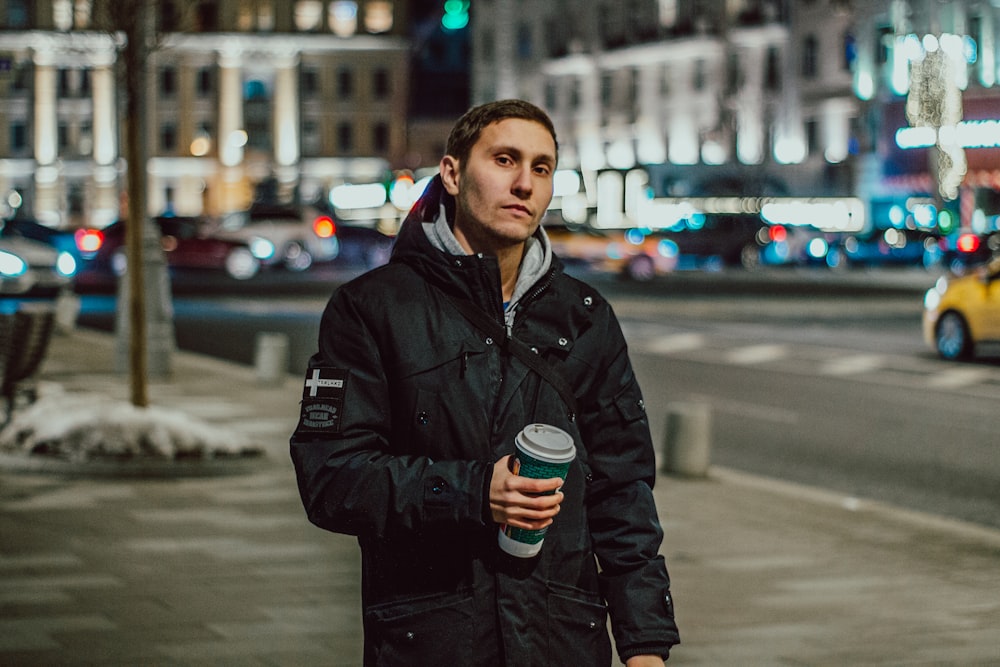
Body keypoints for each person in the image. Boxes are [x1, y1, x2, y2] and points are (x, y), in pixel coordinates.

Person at [290, 99, 680, 665]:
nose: (524, 183)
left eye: (541, 168)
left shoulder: (585, 315)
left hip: (563, 641)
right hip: (432, 639)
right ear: (451, 173)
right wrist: (475, 492)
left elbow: (623, 491)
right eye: (504, 159)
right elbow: (331, 478)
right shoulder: (372, 308)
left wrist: (646, 644)